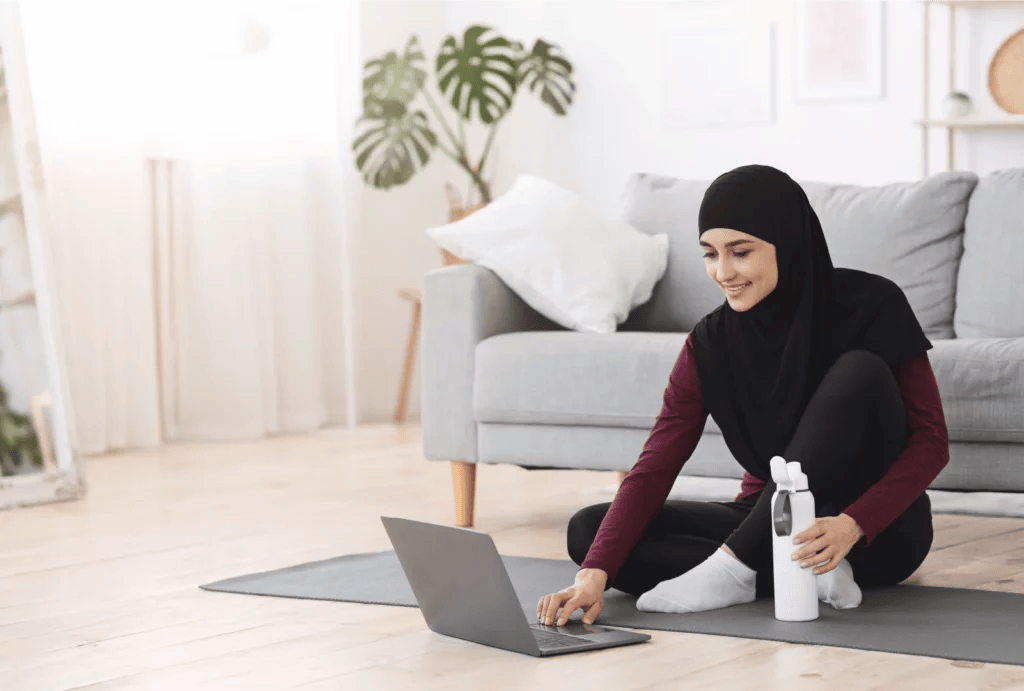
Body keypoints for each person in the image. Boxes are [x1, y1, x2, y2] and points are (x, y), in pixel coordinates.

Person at [536, 164, 948, 627]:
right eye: (710, 254)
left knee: (860, 370)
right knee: (589, 534)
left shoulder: (874, 304)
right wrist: (592, 576)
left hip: (877, 536)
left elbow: (931, 441)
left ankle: (735, 570)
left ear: (786, 243)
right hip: (770, 524)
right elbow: (656, 464)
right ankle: (787, 574)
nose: (723, 272)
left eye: (741, 252)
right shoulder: (709, 343)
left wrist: (853, 522)